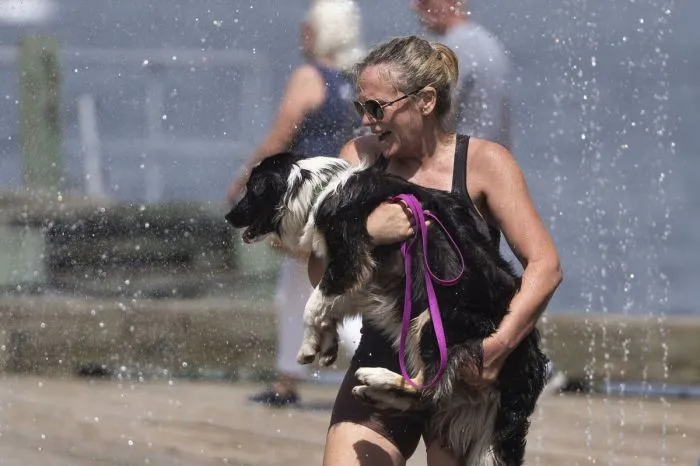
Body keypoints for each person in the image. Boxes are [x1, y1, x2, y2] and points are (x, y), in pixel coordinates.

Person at [309, 36, 563, 465]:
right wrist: (367, 232)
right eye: (361, 107)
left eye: (377, 107)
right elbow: (320, 275)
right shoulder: (358, 160)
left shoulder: (485, 163)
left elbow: (546, 265)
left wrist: (497, 349)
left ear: (425, 100)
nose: (367, 121)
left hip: (467, 375)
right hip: (383, 360)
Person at [226, 0, 364, 407]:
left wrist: (246, 178)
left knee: (329, 287)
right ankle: (286, 380)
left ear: (325, 30)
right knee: (296, 288)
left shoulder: (309, 76)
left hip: (306, 196)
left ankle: (394, 367)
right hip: (341, 191)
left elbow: (280, 135)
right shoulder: (354, 80)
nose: (302, 32)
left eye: (310, 26)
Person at [412, 0, 512, 150]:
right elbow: (504, 121)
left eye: (424, 1)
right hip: (489, 155)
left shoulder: (453, 47)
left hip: (461, 156)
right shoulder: (490, 43)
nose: (414, 6)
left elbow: (433, 114)